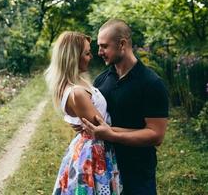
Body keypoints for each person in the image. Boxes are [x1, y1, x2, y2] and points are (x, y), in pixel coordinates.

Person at [81, 19, 169, 195]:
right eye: (98, 47)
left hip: (137, 172)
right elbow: (97, 119)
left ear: (122, 44)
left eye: (104, 46)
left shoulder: (152, 83)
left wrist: (112, 134)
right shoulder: (101, 81)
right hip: (104, 169)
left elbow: (156, 135)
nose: (99, 52)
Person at [45, 31, 122, 195]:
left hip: (90, 146)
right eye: (87, 53)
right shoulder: (77, 92)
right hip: (94, 153)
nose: (91, 56)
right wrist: (144, 133)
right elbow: (104, 129)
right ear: (73, 57)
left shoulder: (77, 82)